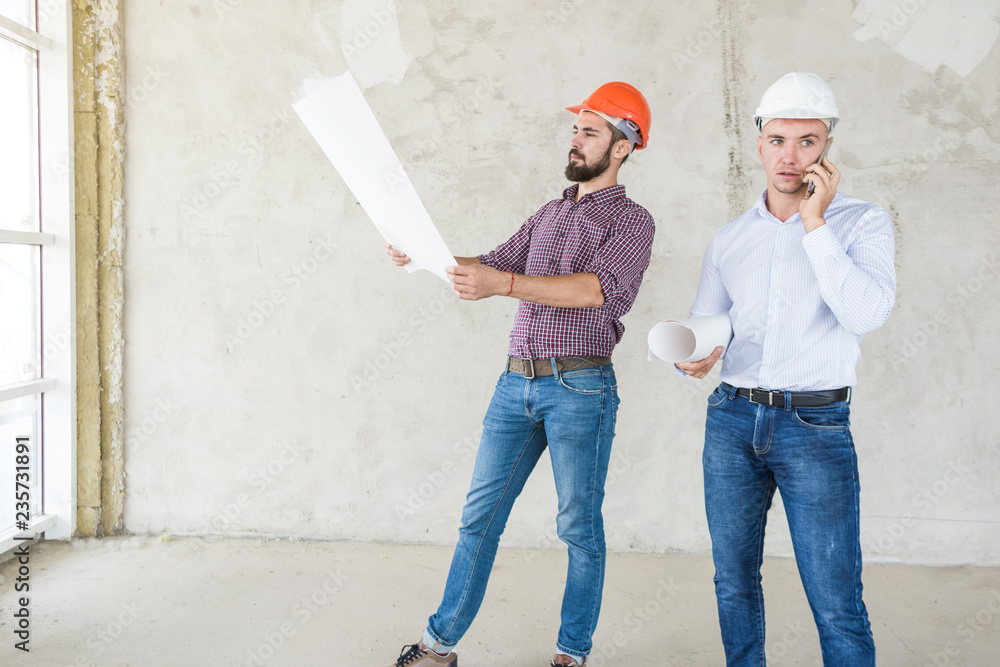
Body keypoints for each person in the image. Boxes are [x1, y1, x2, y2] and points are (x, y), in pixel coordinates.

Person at [385, 82, 656, 667]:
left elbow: (597, 290)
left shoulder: (633, 222)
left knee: (578, 527)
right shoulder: (549, 213)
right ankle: (438, 647)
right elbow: (488, 264)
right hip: (515, 385)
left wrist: (503, 285)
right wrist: (420, 253)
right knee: (478, 519)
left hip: (580, 388)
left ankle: (571, 654)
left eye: (590, 132)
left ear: (623, 146)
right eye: (575, 129)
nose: (576, 140)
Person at [677, 72, 895, 666]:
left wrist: (815, 223)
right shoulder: (730, 238)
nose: (790, 157)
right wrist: (695, 352)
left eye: (807, 141)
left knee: (835, 596)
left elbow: (866, 314)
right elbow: (709, 322)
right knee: (732, 580)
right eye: (778, 141)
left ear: (827, 148)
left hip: (814, 427)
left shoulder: (862, 223)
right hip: (732, 420)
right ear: (759, 145)